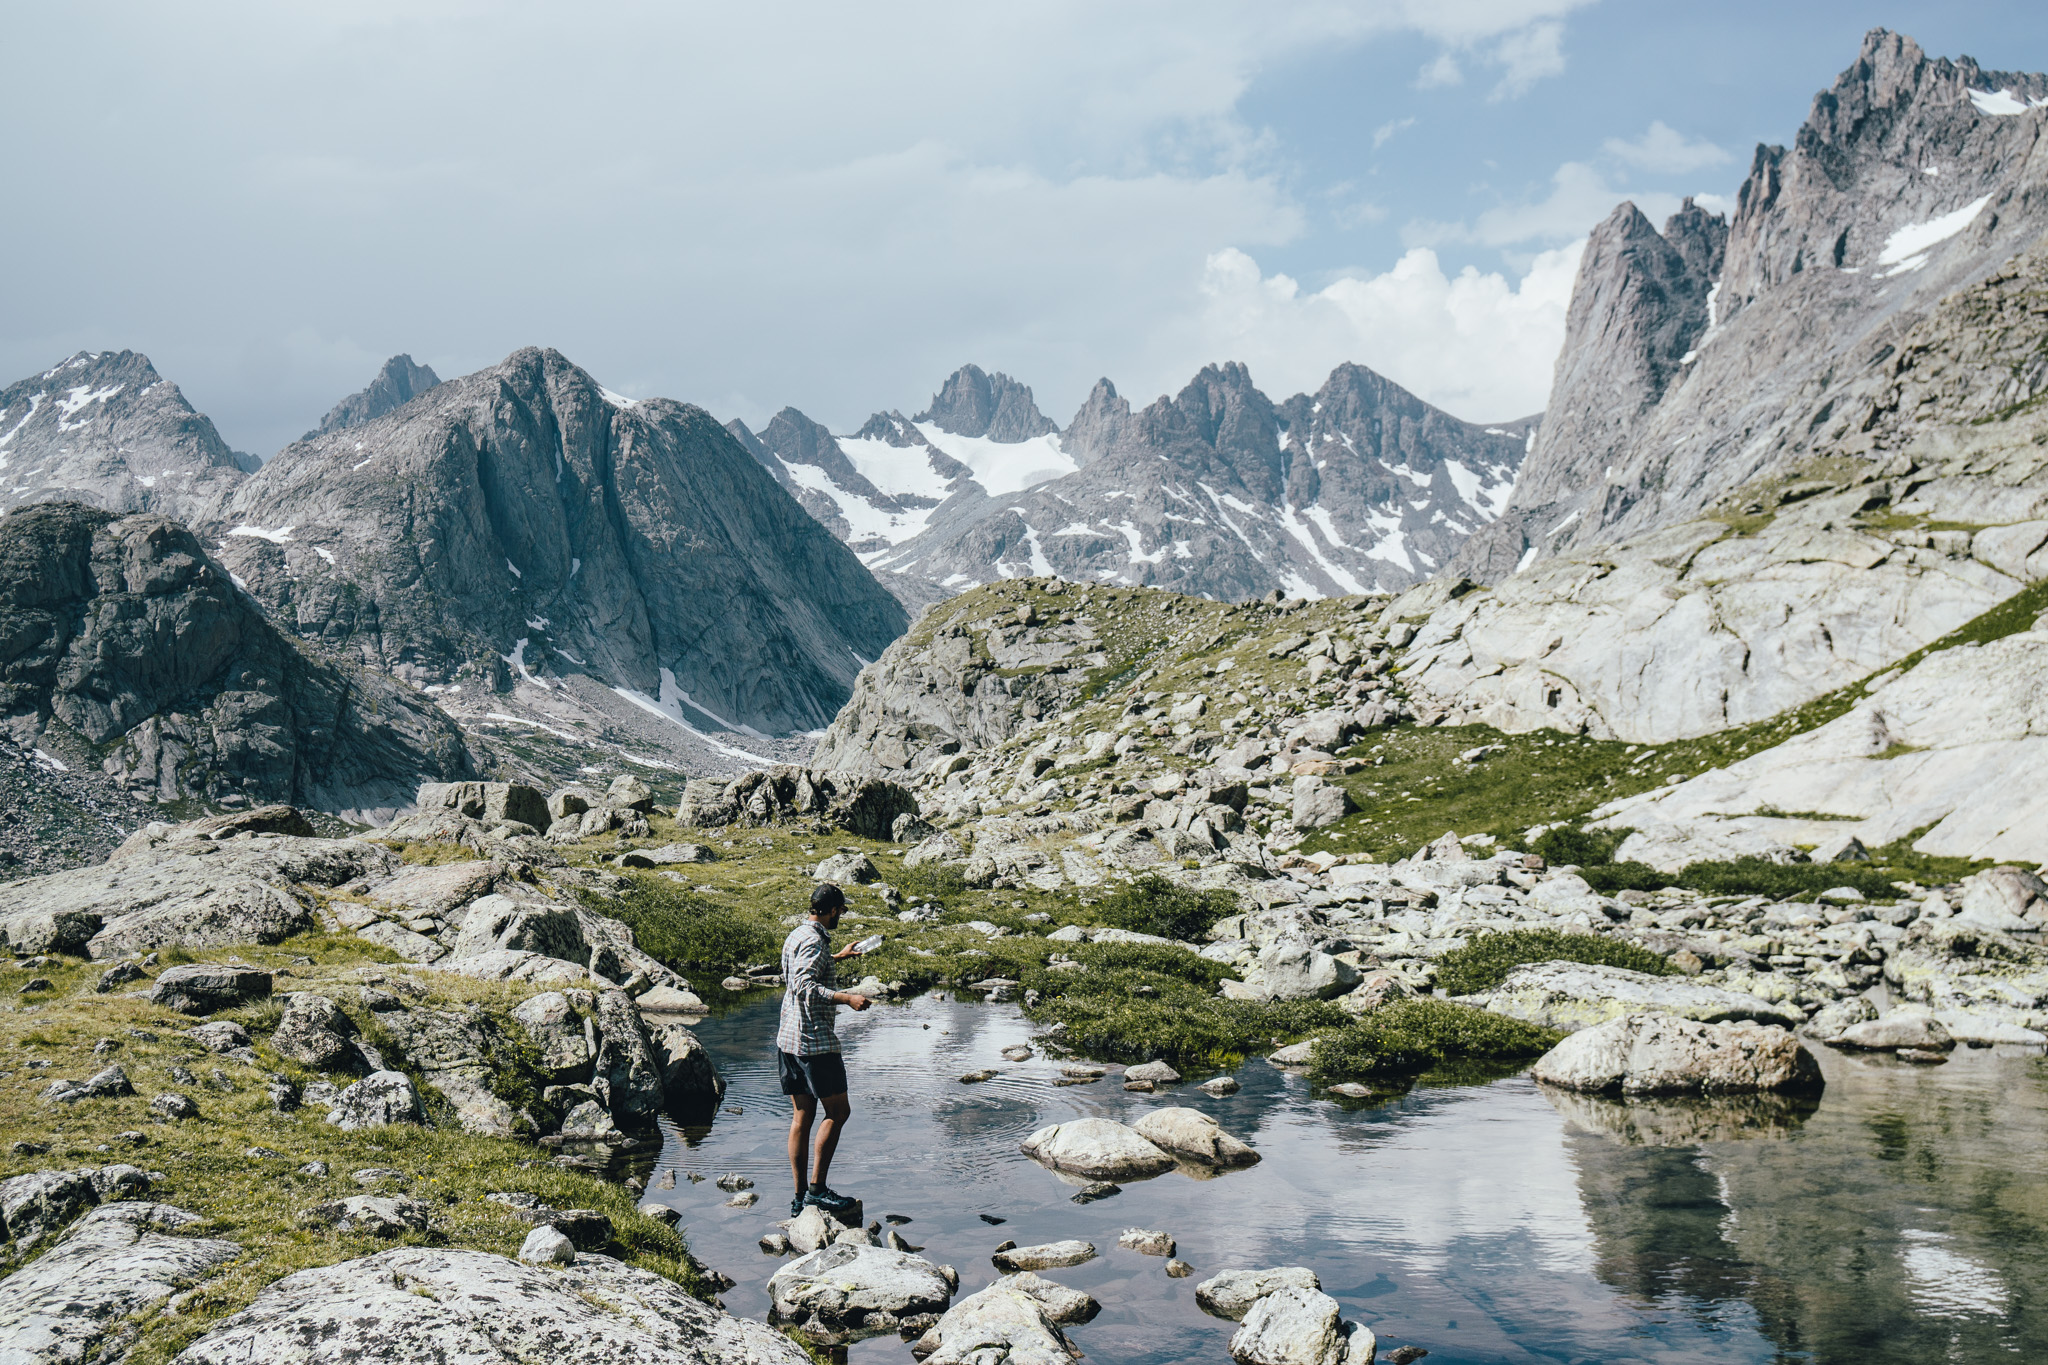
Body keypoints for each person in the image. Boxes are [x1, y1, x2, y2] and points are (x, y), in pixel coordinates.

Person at [778, 881, 870, 1217]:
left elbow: (799, 971)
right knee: (839, 1112)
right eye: (841, 911)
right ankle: (817, 1191)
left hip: (788, 1039)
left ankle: (800, 1196)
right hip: (814, 1043)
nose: (840, 917)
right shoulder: (815, 941)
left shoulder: (797, 936)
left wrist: (838, 957)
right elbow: (804, 985)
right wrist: (848, 998)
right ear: (831, 909)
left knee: (802, 1115)